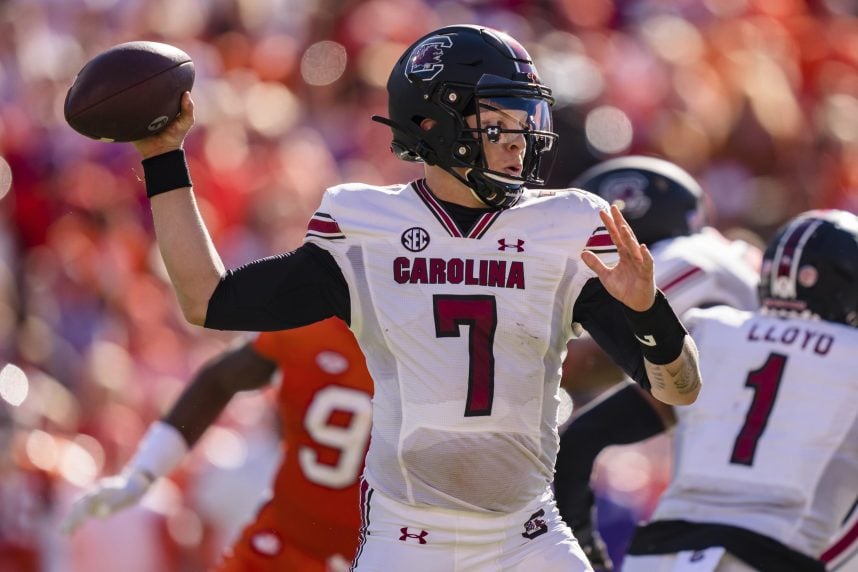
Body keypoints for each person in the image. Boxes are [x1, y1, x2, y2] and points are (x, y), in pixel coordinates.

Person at [118, 24, 702, 571]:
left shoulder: (566, 225)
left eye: (529, 117)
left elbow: (681, 388)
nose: (523, 139)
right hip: (408, 540)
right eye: (502, 118)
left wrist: (648, 310)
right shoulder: (367, 225)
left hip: (527, 534)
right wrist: (162, 156)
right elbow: (208, 301)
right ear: (435, 122)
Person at [610, 209, 858, 571]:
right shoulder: (848, 354)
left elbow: (585, 438)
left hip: (658, 554)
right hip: (769, 554)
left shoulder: (711, 329)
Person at [553, 156, 762, 570]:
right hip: (755, 419)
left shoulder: (684, 256)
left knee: (573, 447)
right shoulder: (729, 252)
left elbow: (585, 358)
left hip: (737, 440)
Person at [61, 317, 373, 571]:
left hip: (285, 544)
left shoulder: (314, 324)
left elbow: (219, 378)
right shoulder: (411, 351)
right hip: (358, 546)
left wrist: (143, 472)